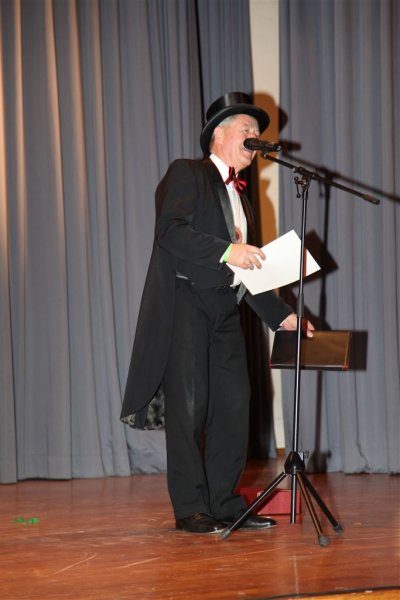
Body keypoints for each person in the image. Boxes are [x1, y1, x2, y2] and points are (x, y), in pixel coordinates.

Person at [121, 92, 314, 534]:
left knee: (234, 405)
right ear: (218, 135)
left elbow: (250, 271)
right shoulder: (187, 172)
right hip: (186, 304)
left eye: (257, 132)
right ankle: (191, 507)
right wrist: (228, 250)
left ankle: (226, 504)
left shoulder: (243, 202)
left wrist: (282, 315)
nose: (254, 137)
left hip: (226, 311)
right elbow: (170, 232)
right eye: (247, 129)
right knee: (189, 409)